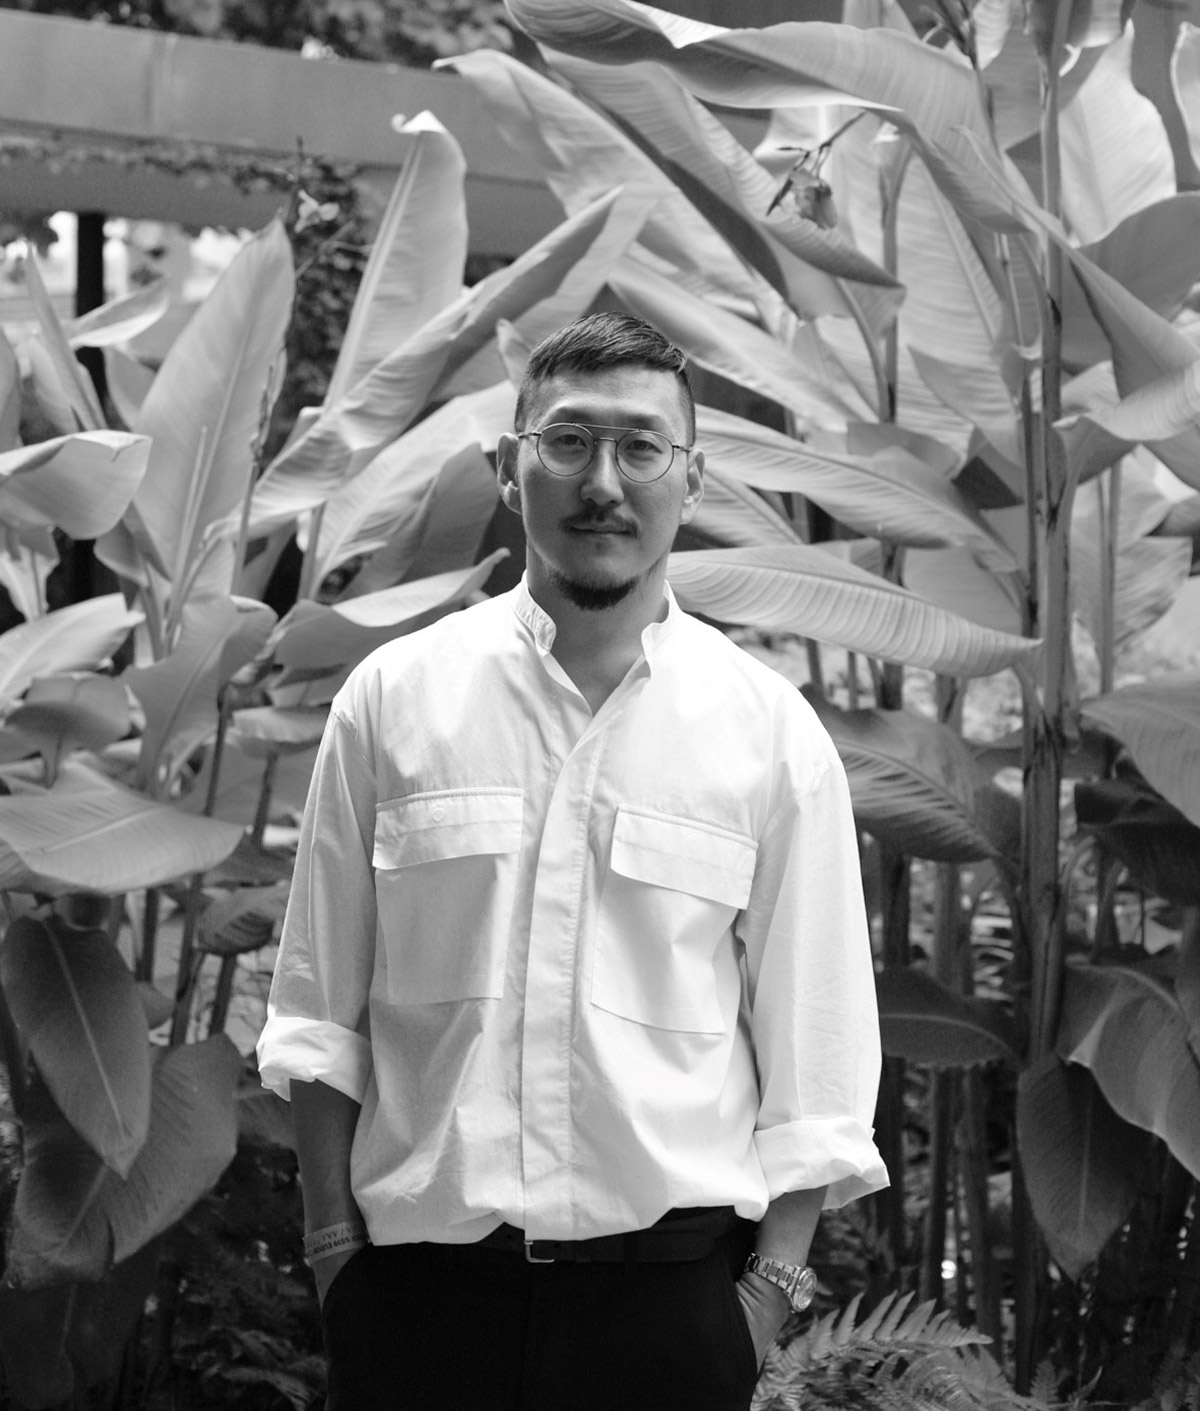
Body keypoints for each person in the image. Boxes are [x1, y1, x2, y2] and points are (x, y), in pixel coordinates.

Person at [256, 312, 887, 1411]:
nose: (605, 480)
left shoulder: (769, 735)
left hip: (670, 1320)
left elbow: (817, 1062)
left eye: (642, 447)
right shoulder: (393, 704)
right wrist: (332, 1258)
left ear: (689, 480)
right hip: (419, 1314)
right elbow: (319, 1021)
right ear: (512, 470)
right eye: (569, 441)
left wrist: (760, 1307)